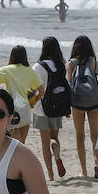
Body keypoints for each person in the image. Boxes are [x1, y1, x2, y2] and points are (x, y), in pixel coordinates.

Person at [67, 35, 98, 179]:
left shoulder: (71, 64)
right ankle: (96, 164)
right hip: (94, 102)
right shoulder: (94, 62)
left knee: (80, 136)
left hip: (77, 103)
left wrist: (67, 106)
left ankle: (83, 171)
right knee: (95, 136)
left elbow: (68, 84)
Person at [31, 36, 70, 180]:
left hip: (41, 108)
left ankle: (51, 175)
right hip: (57, 107)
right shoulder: (60, 65)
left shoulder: (38, 66)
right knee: (54, 138)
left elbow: (35, 88)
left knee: (44, 142)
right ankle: (57, 155)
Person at [0, 45, 41, 143]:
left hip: (12, 109)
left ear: (12, 56)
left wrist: (1, 95)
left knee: (13, 143)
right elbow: (41, 90)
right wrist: (33, 102)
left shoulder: (6, 70)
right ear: (25, 57)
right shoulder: (29, 71)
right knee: (22, 143)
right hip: (25, 109)